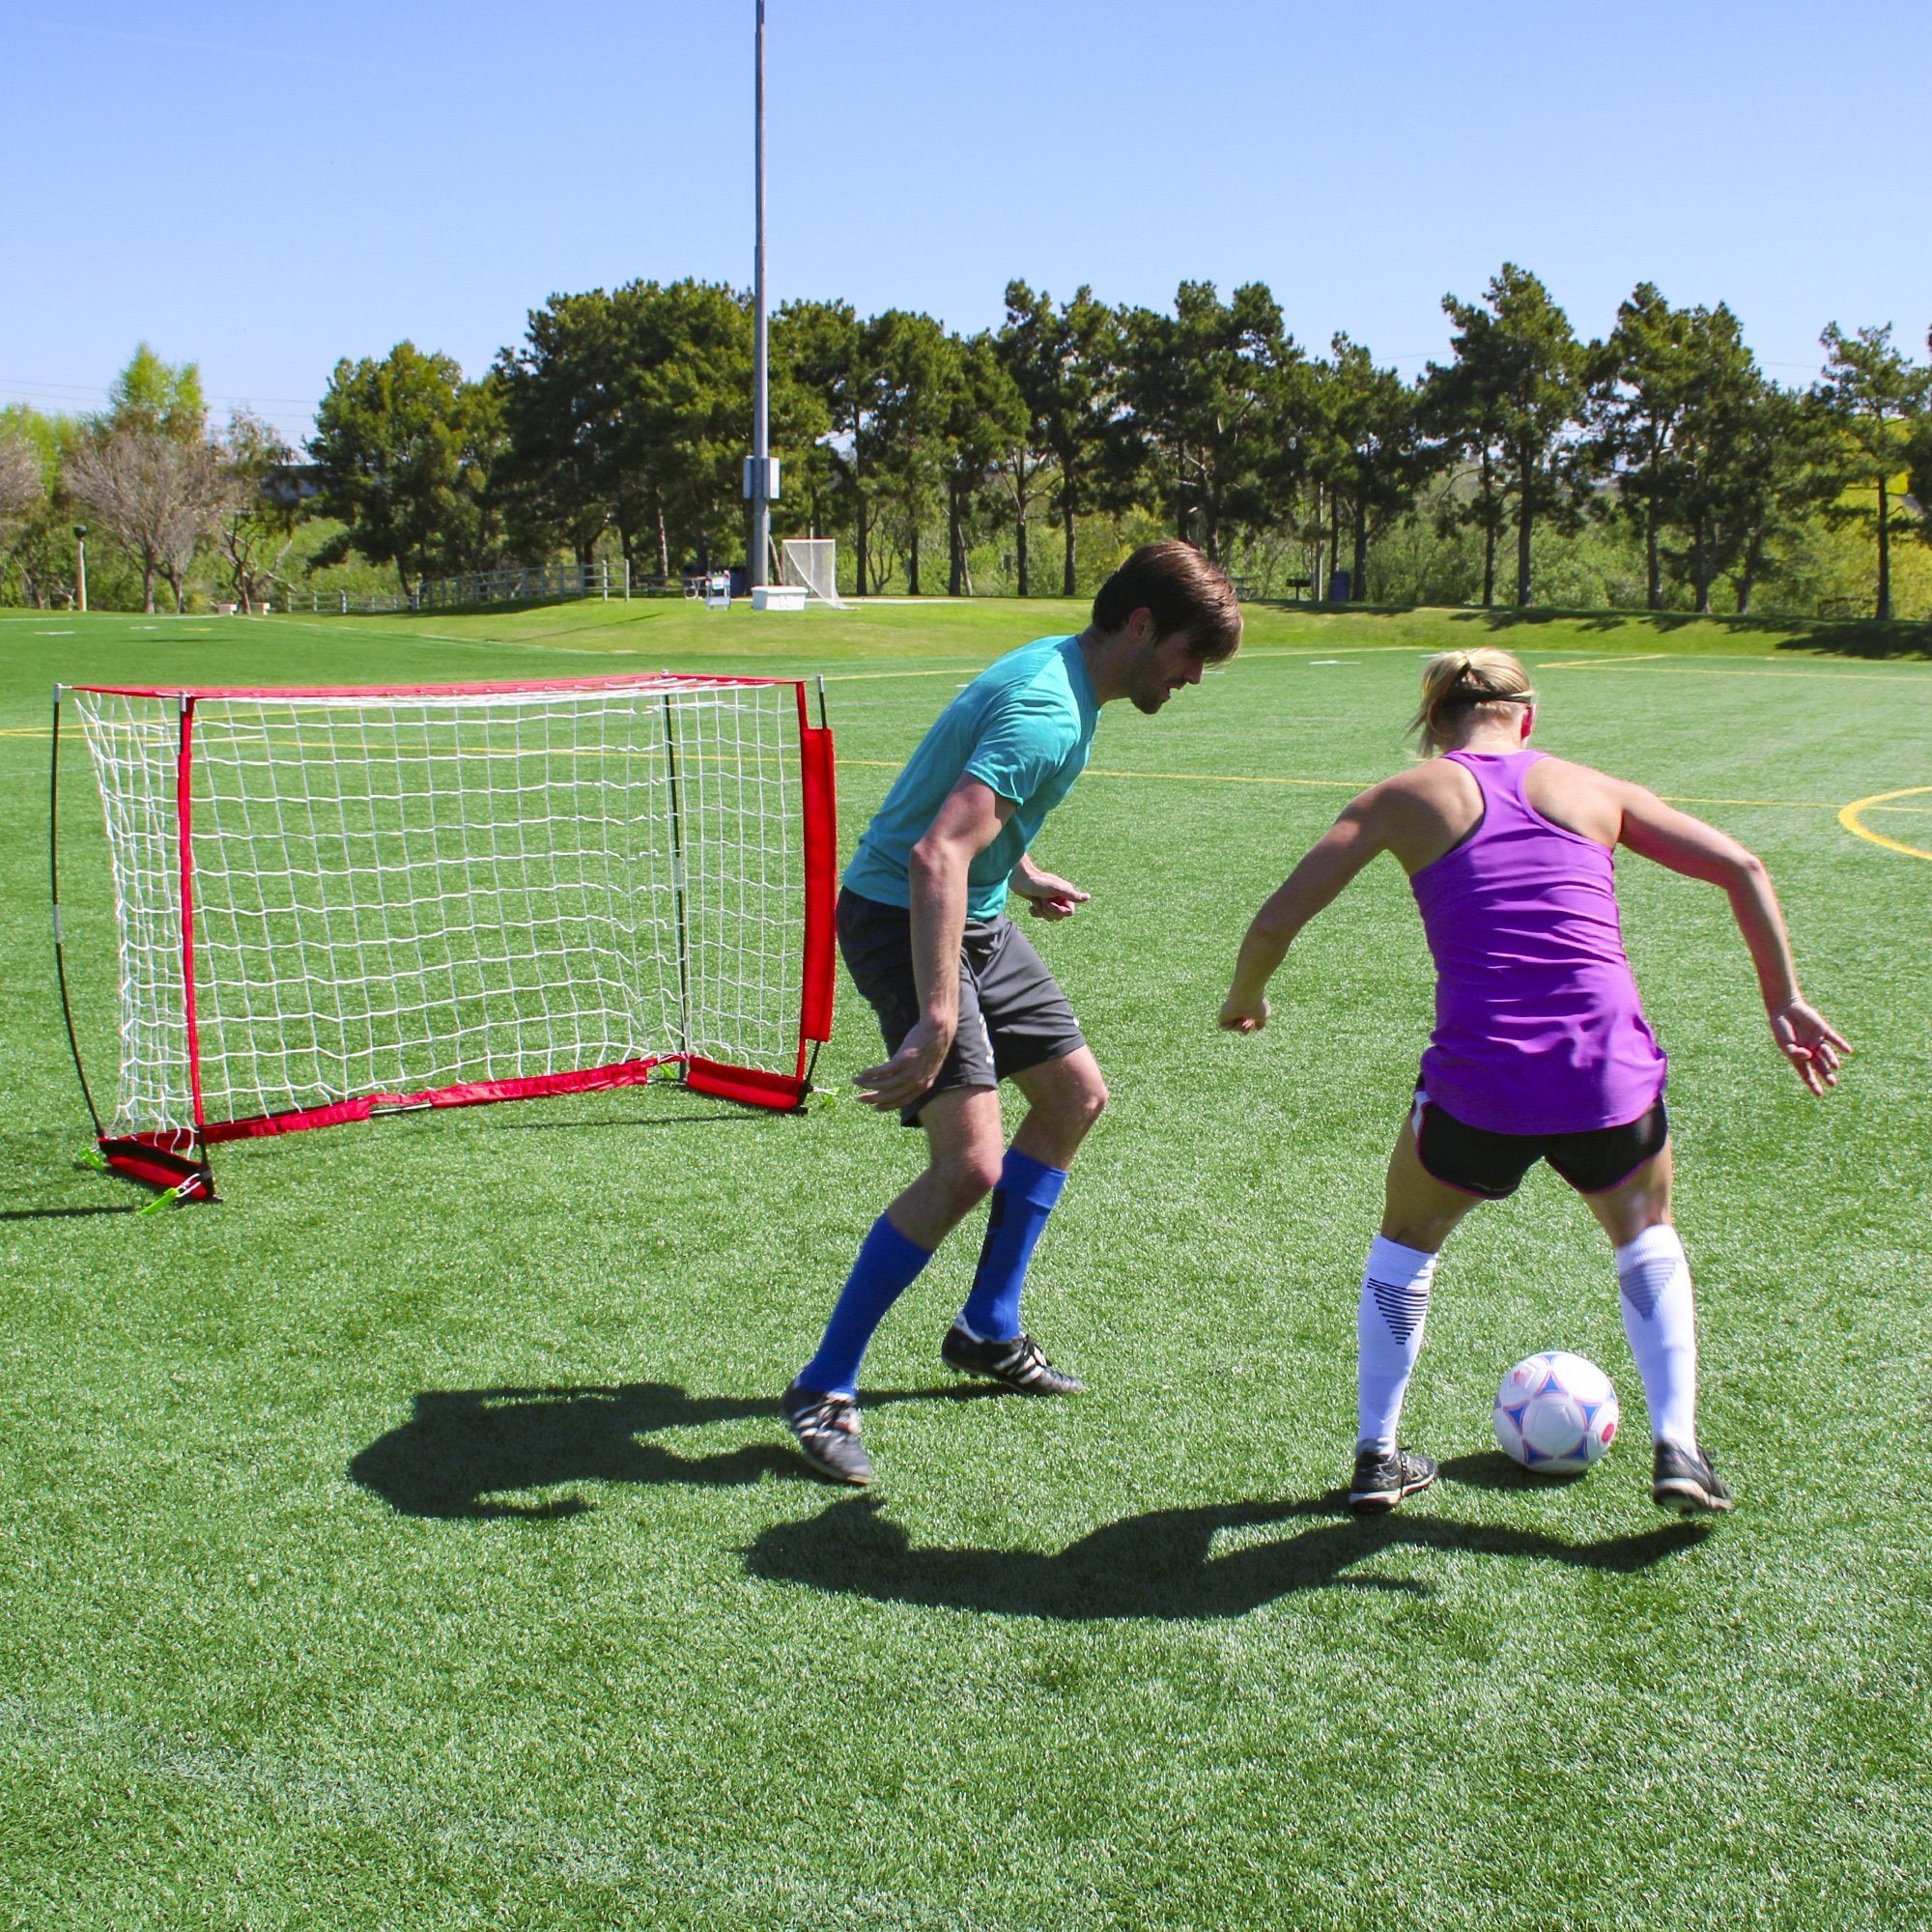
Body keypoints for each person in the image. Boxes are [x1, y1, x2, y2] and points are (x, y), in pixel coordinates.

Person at [1218, 646, 1847, 1518]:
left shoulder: (1402, 798)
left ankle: (1377, 1455)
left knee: (1406, 1243)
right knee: (1645, 1235)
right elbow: (1742, 866)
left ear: (1434, 724)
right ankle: (1679, 1448)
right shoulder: (1594, 789)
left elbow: (1275, 921)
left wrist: (1246, 998)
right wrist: (1785, 1001)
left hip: (1483, 1081)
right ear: (1528, 716)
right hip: (1605, 1073)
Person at [783, 542, 1244, 1485]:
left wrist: (1021, 870)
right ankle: (821, 1386)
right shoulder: (1046, 707)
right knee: (967, 1166)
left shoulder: (1069, 675)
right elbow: (934, 856)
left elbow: (972, 820)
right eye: (1190, 654)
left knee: (1074, 1097)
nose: (1193, 677)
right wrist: (938, 1017)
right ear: (1142, 625)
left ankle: (986, 1327)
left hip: (980, 912)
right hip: (903, 916)